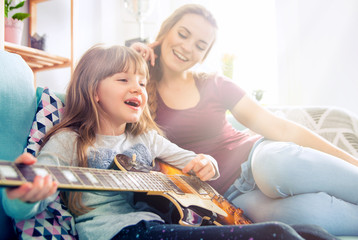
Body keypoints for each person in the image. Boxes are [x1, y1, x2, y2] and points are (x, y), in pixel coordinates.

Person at [1, 44, 337, 240]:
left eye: (143, 83)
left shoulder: (146, 138)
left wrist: (207, 163)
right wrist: (23, 197)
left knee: (310, 230)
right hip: (120, 234)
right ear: (93, 92)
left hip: (165, 225)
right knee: (276, 233)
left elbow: (194, 162)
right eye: (123, 80)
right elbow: (25, 201)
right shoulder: (68, 140)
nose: (138, 89)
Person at [130, 3, 358, 236]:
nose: (187, 47)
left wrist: (352, 162)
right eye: (183, 34)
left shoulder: (214, 84)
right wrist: (132, 58)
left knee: (273, 167)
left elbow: (282, 128)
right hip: (229, 199)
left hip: (256, 159)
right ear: (165, 31)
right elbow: (102, 103)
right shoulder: (137, 88)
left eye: (200, 45)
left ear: (204, 54)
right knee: (305, 216)